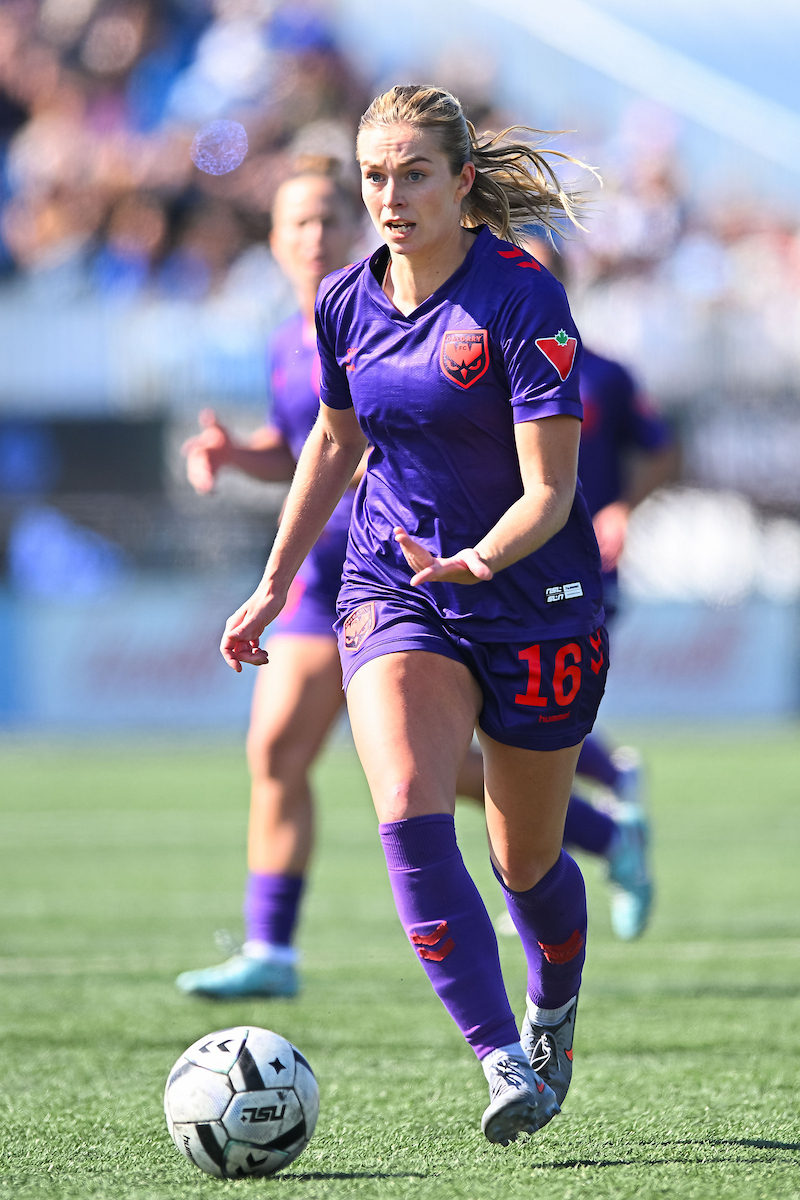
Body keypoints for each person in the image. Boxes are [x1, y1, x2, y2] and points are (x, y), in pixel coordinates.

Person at [220, 84, 608, 1145]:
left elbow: (550, 491)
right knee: (402, 798)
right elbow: (335, 446)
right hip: (397, 588)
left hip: (531, 596)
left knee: (525, 863)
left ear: (460, 181)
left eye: (413, 175)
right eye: (374, 177)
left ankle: (552, 1010)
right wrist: (270, 580)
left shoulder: (520, 299)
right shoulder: (344, 300)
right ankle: (498, 1060)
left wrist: (478, 560)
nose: (389, 197)